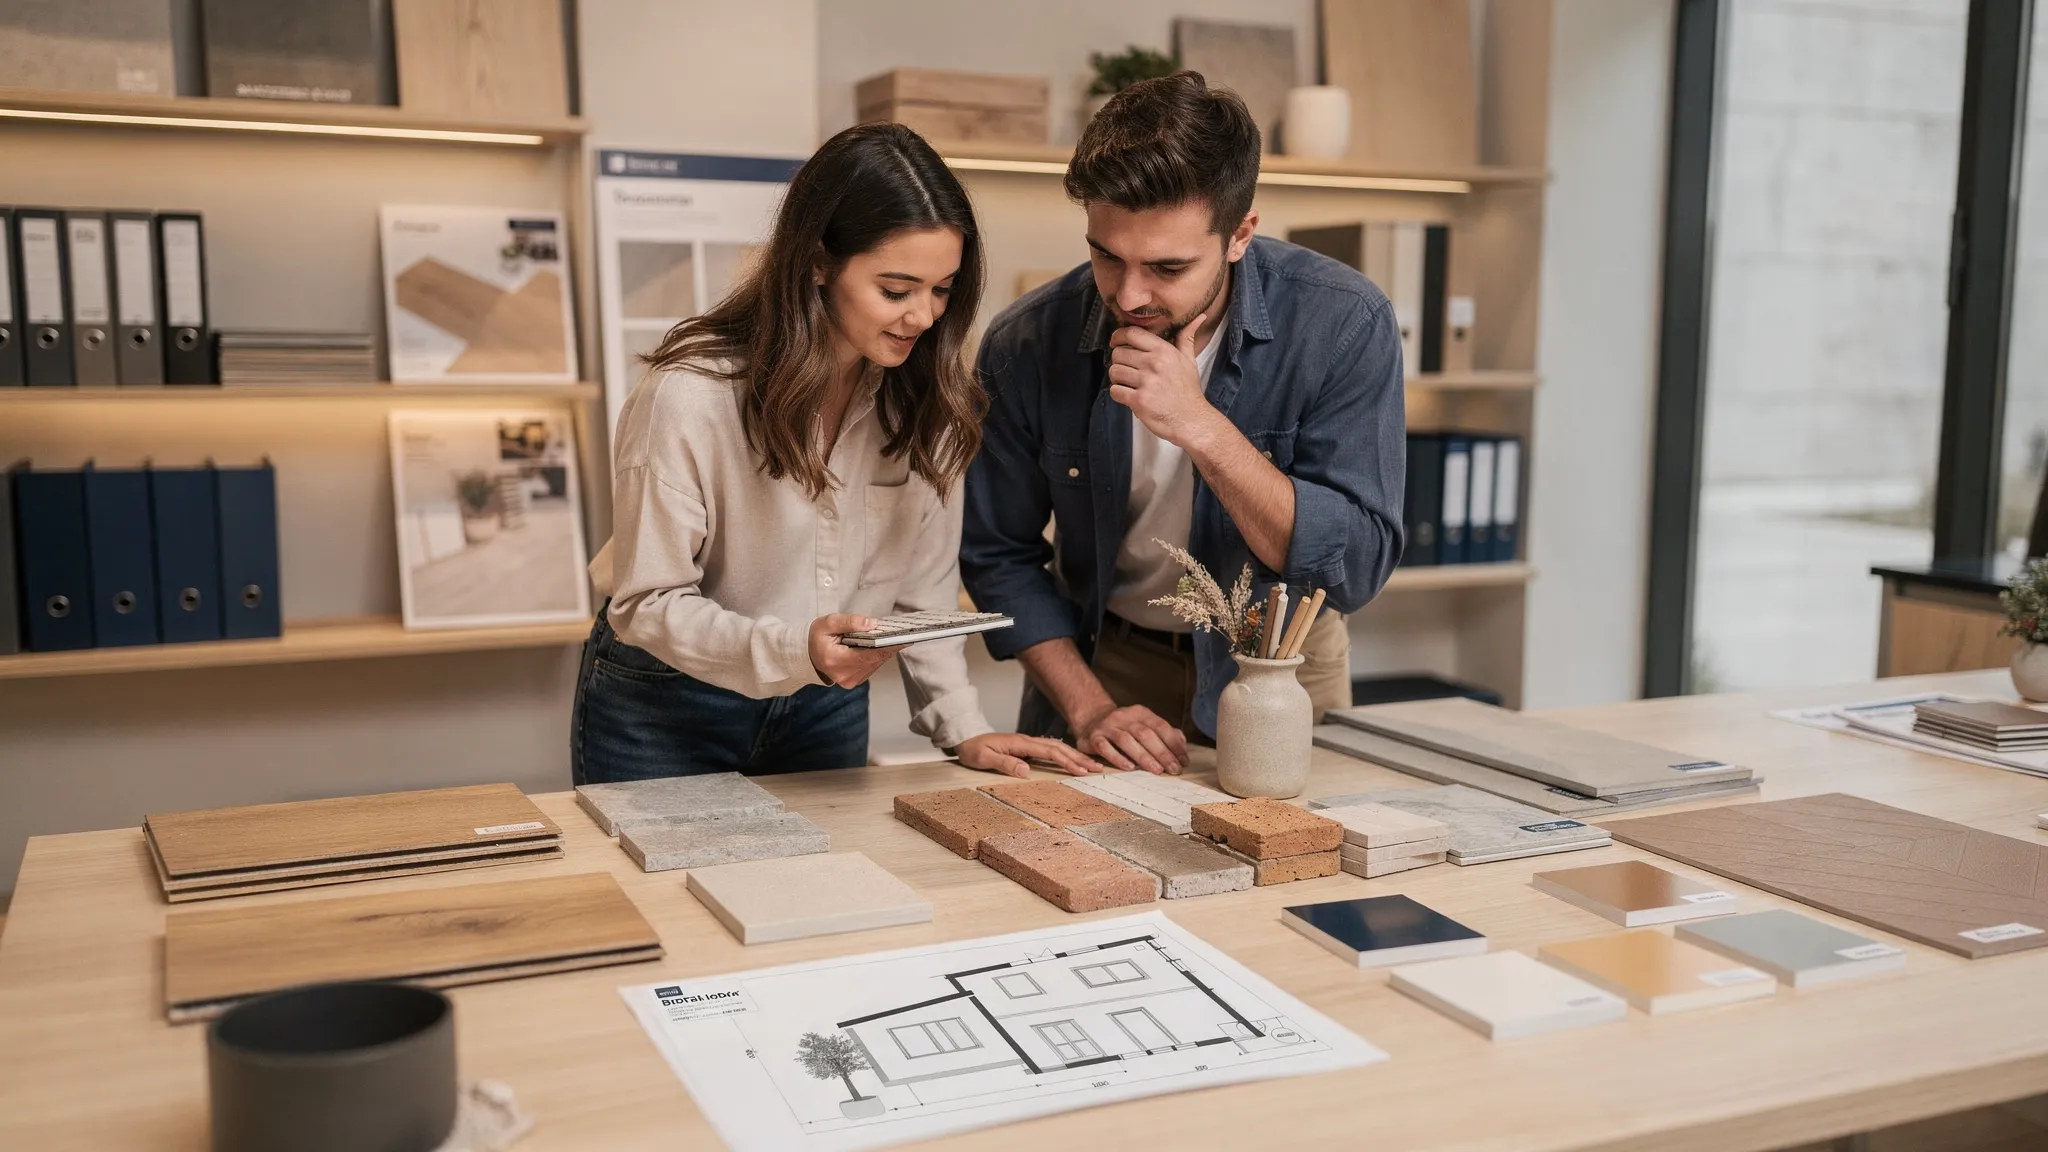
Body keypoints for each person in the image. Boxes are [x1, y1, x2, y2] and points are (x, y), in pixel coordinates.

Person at [574, 122, 1097, 784]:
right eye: (896, 289)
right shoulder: (690, 394)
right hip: (666, 702)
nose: (924, 317)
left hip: (826, 705)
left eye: (942, 290)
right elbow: (644, 602)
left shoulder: (927, 403)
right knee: (658, 890)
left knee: (824, 887)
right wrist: (796, 650)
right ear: (819, 260)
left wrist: (964, 726)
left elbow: (921, 598)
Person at [961, 72, 1406, 776]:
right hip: (1103, 668)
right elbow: (997, 555)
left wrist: (1202, 427)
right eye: (1106, 255)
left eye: (1167, 267)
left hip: (1281, 667)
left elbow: (1353, 568)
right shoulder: (1026, 341)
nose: (1130, 294)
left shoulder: (1344, 323)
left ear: (1241, 235)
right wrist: (1090, 708)